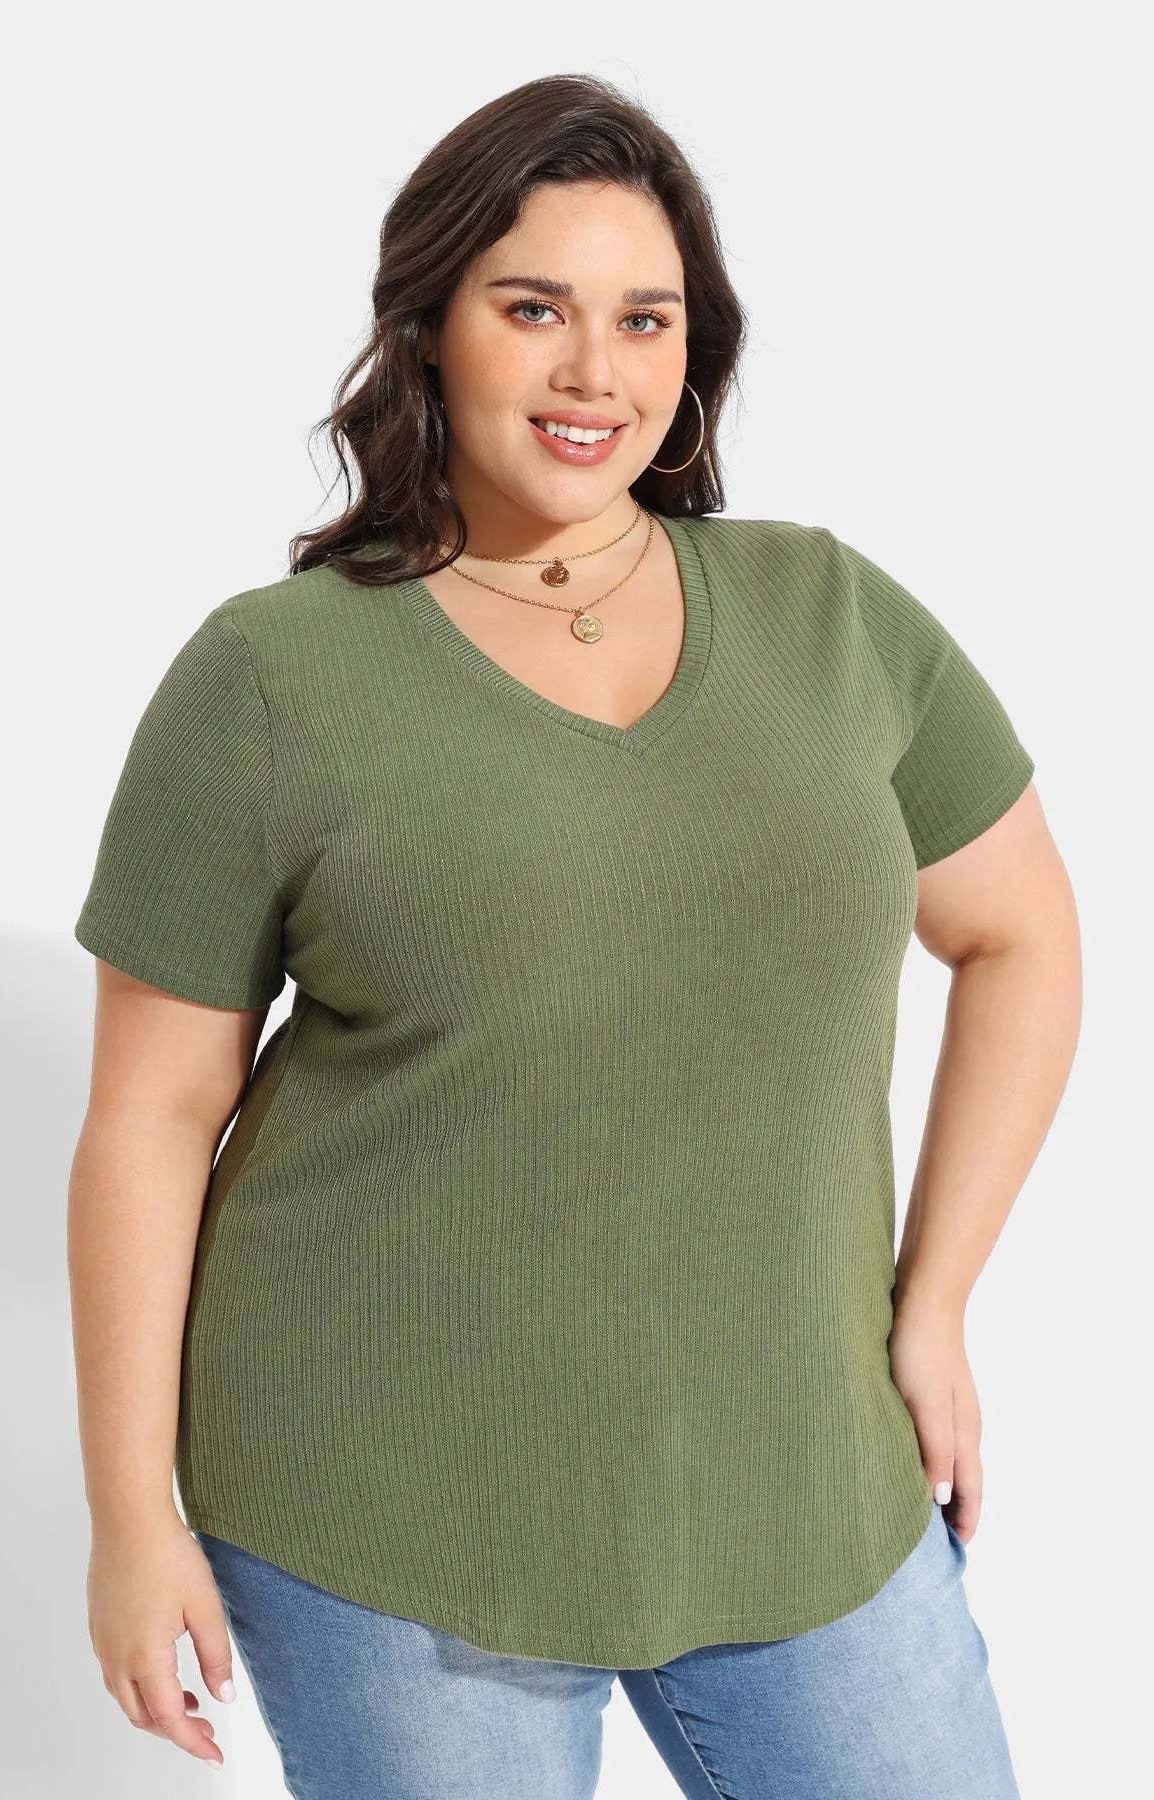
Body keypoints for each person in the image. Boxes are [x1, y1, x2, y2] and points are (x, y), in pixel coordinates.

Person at [67, 72, 1080, 1800]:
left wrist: (936, 1305)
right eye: (533, 309)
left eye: (644, 318)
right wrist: (126, 1518)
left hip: (805, 1477)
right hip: (385, 1511)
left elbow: (1024, 939)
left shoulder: (828, 615)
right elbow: (153, 1115)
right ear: (428, 329)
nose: (594, 371)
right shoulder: (273, 678)